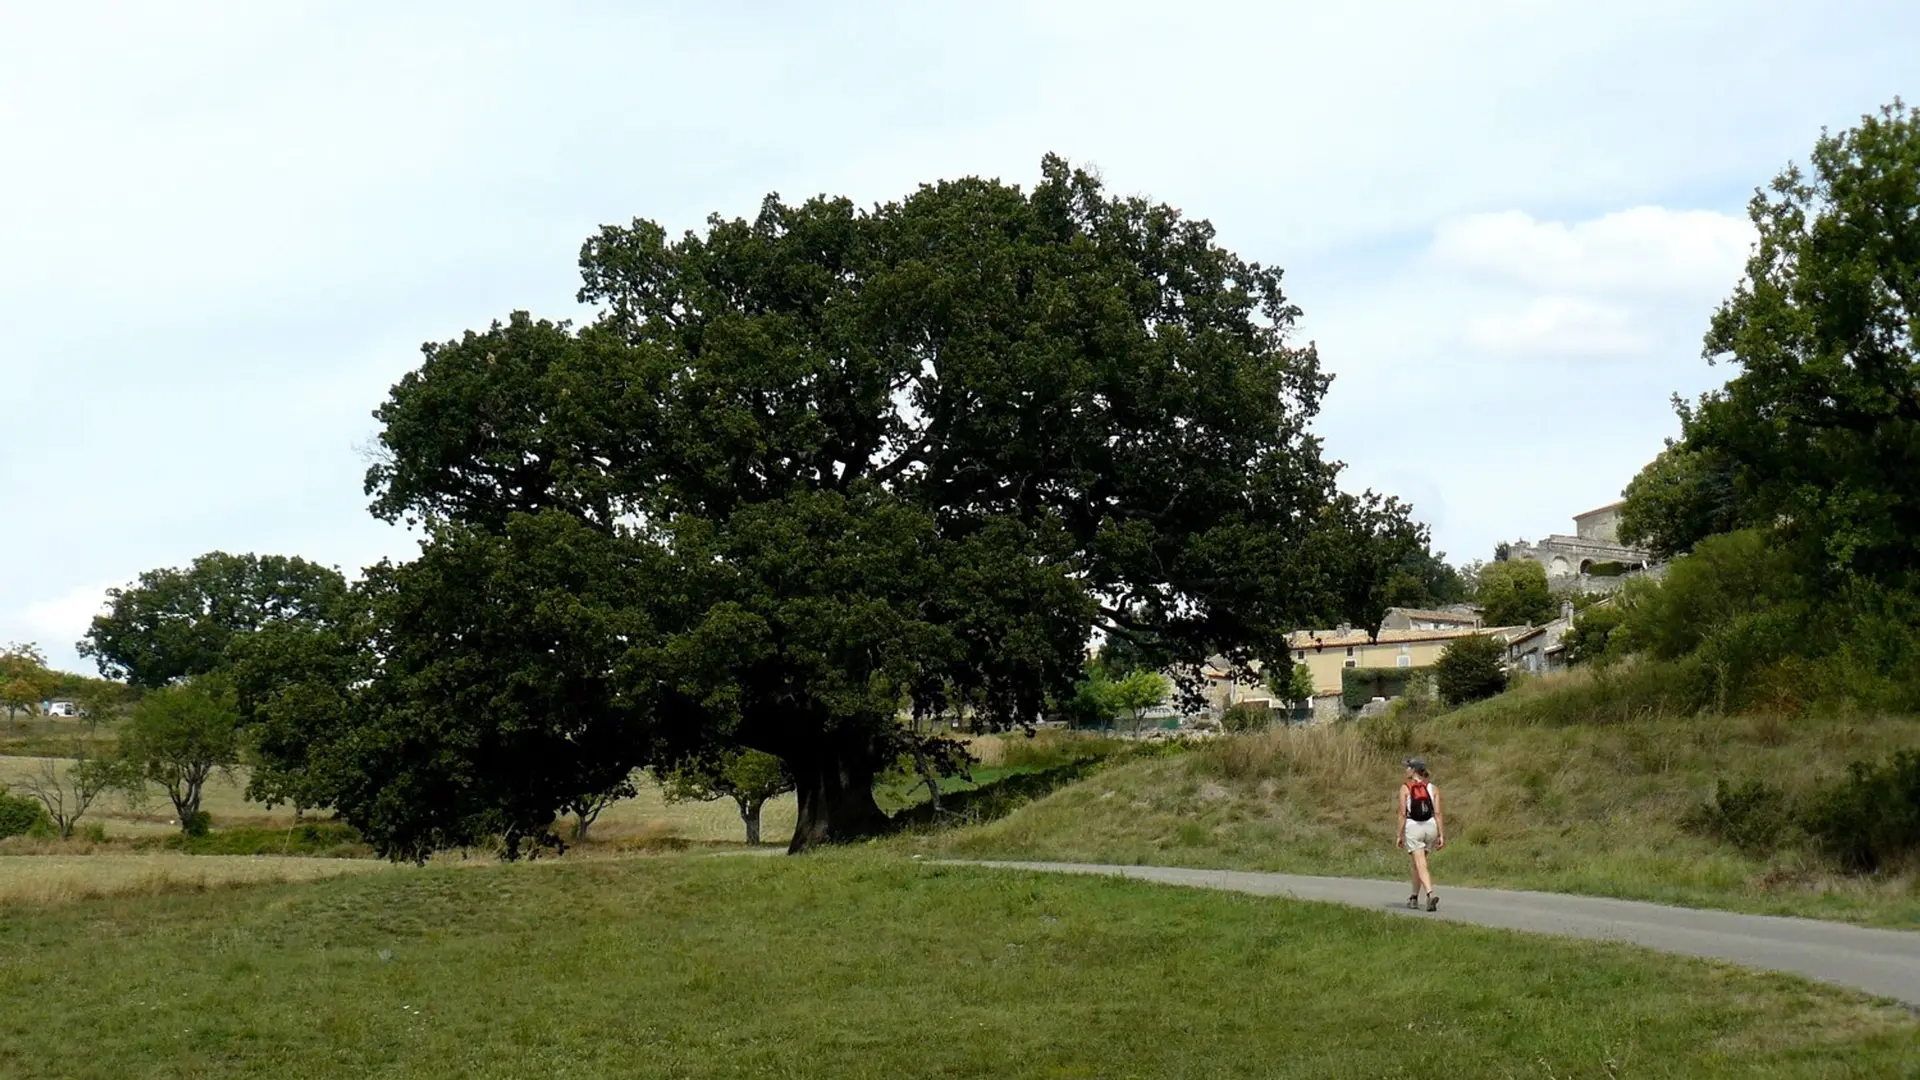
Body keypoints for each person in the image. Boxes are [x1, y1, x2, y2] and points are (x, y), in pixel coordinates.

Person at [1396, 756, 1445, 911]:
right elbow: (1438, 813)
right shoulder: (1433, 788)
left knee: (1420, 864)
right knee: (1417, 864)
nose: (1406, 770)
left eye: (1408, 767)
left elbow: (1402, 814)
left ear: (1413, 770)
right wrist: (1441, 834)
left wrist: (1399, 834)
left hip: (1414, 827)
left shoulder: (1405, 788)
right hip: (1430, 827)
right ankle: (1414, 897)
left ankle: (1430, 894)